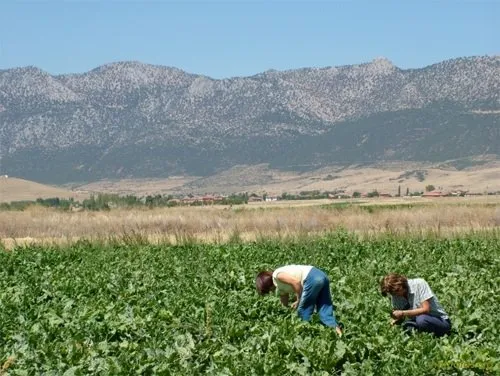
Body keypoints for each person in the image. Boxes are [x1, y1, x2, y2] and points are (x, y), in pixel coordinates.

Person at [256, 265, 343, 336]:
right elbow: (284, 298)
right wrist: (285, 312)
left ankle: (307, 337)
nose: (270, 292)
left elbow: (296, 282)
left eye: (268, 290)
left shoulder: (277, 275)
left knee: (303, 312)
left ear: (268, 285)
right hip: (322, 276)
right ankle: (340, 335)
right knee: (324, 310)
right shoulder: (279, 285)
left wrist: (298, 300)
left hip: (311, 278)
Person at [380, 273, 451, 336]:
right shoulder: (395, 296)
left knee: (422, 320)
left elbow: (426, 309)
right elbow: (401, 318)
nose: (396, 294)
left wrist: (402, 313)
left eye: (397, 290)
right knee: (407, 327)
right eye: (393, 293)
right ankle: (422, 337)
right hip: (417, 321)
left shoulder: (419, 284)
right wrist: (394, 321)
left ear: (401, 283)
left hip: (440, 321)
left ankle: (435, 337)